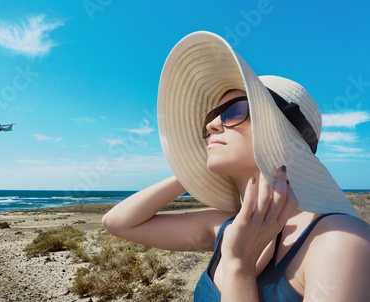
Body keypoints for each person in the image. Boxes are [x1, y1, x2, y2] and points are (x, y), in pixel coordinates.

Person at [102, 31, 370, 301]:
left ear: (278, 133)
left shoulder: (338, 241)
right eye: (211, 116)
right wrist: (191, 170)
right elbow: (118, 223)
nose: (211, 124)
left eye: (233, 111)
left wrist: (238, 267)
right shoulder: (225, 225)